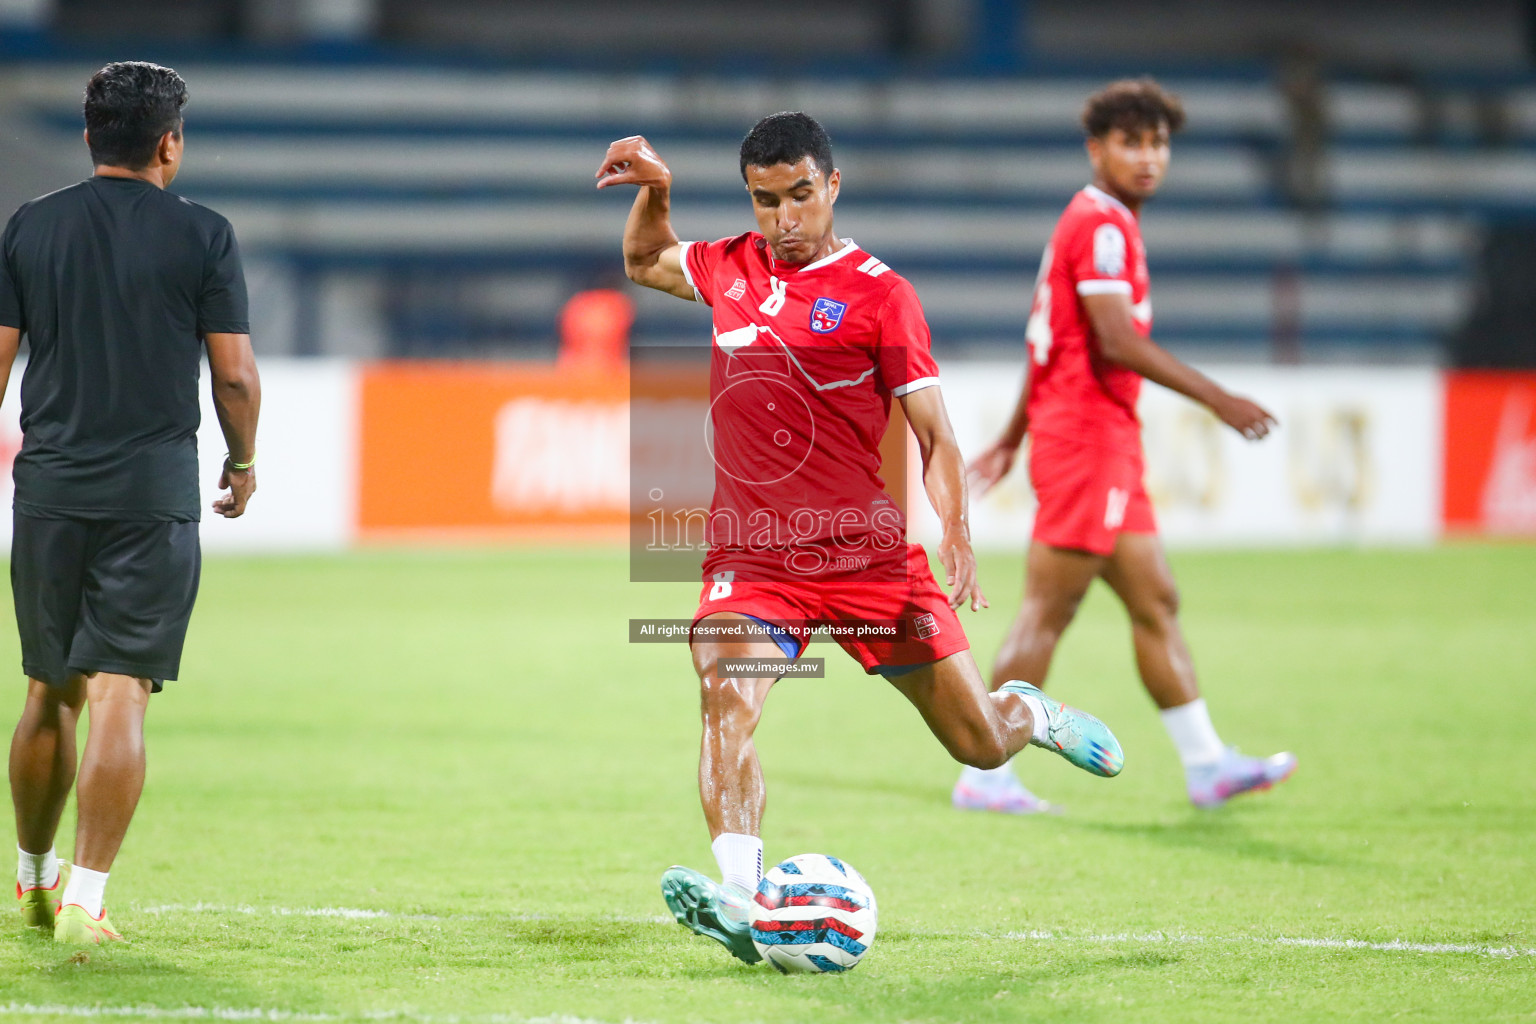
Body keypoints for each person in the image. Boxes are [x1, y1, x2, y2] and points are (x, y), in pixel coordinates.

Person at [596, 112, 1125, 966]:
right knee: (725, 697)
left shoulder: (882, 295)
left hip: (868, 563)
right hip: (754, 559)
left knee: (980, 746)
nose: (784, 219)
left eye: (800, 196)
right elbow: (643, 261)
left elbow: (936, 434)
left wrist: (954, 528)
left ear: (832, 186)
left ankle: (1029, 709)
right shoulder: (728, 265)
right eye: (766, 202)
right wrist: (658, 192)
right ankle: (739, 893)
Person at [951, 78, 1295, 816]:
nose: (1148, 157)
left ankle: (1206, 765)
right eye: (1131, 141)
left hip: (1097, 439)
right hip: (1087, 441)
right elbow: (1112, 339)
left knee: (1156, 599)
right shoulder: (1103, 225)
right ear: (1096, 148)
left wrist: (1013, 438)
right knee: (1049, 608)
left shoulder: (1092, 221)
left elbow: (1046, 344)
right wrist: (1219, 399)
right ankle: (984, 772)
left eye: (1159, 142)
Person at [3, 61, 260, 944]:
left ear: (87, 137)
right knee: (121, 691)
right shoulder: (204, 235)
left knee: (47, 691)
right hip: (149, 494)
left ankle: (31, 882)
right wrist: (243, 462)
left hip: (49, 489)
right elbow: (233, 372)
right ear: (169, 142)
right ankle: (86, 899)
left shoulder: (30, 227)